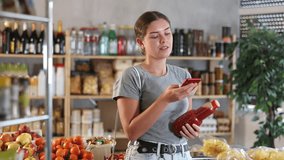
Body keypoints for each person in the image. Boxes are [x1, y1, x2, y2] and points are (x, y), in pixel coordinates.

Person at [113, 11, 200, 160]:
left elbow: (185, 121)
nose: (163, 40)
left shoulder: (183, 75)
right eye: (155, 36)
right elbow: (131, 133)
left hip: (183, 154)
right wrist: (164, 99)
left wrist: (192, 129)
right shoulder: (133, 75)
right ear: (141, 43)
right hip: (148, 155)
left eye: (167, 33)